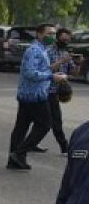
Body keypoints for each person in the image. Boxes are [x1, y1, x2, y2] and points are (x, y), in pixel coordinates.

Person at [9, 22, 66, 170]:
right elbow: (29, 73)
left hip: (30, 94)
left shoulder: (42, 49)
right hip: (34, 95)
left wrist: (53, 73)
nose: (52, 37)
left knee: (21, 127)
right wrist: (51, 77)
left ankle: (14, 160)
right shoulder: (34, 50)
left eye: (54, 34)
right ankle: (19, 153)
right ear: (39, 34)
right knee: (45, 125)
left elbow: (42, 69)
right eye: (48, 34)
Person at [31, 27, 77, 155]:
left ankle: (31, 143)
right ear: (57, 38)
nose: (65, 42)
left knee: (42, 120)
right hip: (46, 89)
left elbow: (72, 73)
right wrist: (62, 61)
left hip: (57, 91)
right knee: (55, 119)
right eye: (63, 39)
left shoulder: (66, 52)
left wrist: (78, 64)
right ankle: (64, 147)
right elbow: (45, 69)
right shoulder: (49, 51)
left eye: (68, 40)